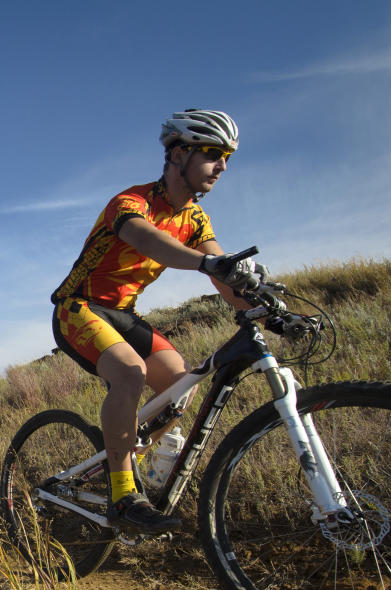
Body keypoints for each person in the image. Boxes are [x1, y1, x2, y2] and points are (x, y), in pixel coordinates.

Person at [50, 109, 273, 532]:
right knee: (130, 374)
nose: (222, 166)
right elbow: (152, 242)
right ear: (177, 155)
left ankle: (129, 460)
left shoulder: (195, 219)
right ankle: (122, 495)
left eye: (227, 156)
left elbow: (225, 276)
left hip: (123, 314)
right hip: (77, 307)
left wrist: (265, 307)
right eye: (211, 153)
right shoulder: (130, 203)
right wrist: (209, 262)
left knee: (180, 384)